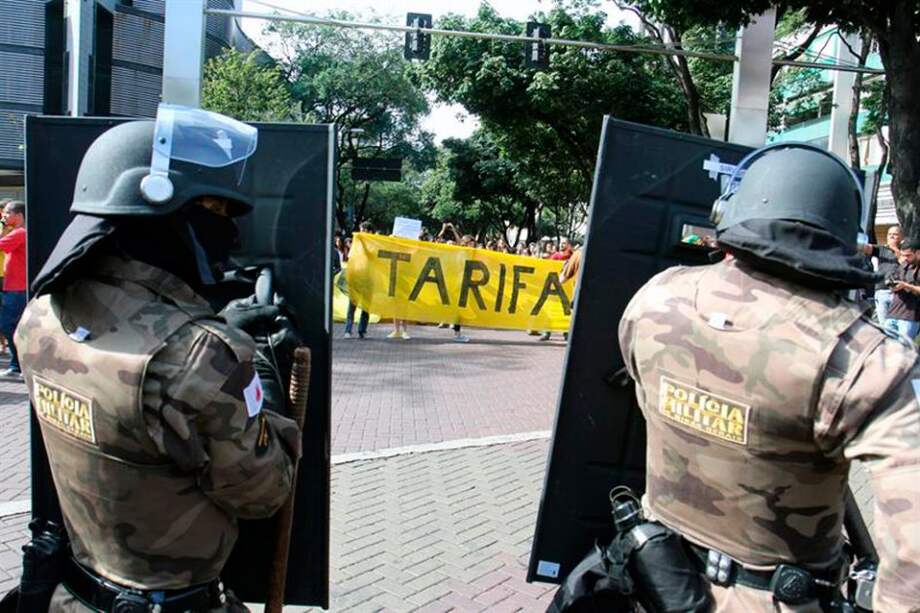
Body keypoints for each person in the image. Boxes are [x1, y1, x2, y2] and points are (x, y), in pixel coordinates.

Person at [14, 109, 302, 612]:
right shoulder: (201, 357)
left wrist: (205, 334)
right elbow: (264, 493)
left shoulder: (39, 318)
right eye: (212, 211)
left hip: (72, 594)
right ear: (159, 213)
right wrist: (252, 368)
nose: (229, 234)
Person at [618, 143, 920, 610]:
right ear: (844, 236)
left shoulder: (656, 298)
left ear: (729, 213)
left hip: (656, 583)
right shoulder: (863, 358)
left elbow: (643, 394)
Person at [0, 200, 27, 378]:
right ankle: (17, 365)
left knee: (7, 325)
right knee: (12, 325)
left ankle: (19, 364)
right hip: (14, 287)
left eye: (8, 213)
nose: (5, 216)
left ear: (18, 215)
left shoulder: (19, 233)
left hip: (17, 289)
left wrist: (2, 227)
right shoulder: (19, 232)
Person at [863, 225, 901, 324]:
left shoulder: (906, 251)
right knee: (884, 325)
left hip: (897, 293)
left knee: (896, 324)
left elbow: (905, 261)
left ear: (901, 237)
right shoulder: (882, 249)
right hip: (881, 291)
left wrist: (894, 249)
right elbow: (867, 248)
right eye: (889, 234)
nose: (891, 236)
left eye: (895, 234)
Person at [886, 239, 920, 341]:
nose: (905, 258)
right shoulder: (904, 265)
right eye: (903, 255)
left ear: (918, 252)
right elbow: (893, 278)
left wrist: (906, 286)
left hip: (910, 317)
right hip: (893, 313)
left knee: (903, 352)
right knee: (887, 349)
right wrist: (892, 284)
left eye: (908, 255)